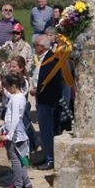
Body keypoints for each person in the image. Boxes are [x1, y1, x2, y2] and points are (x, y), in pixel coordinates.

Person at [0, 73, 33, 188]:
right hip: (20, 133)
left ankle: (18, 185)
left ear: (13, 85)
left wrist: (8, 135)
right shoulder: (20, 96)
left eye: (7, 87)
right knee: (23, 158)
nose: (7, 89)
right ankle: (27, 183)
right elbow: (10, 96)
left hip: (15, 135)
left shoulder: (16, 99)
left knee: (15, 160)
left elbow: (15, 119)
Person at [31, 35, 61, 170]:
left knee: (47, 130)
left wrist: (37, 91)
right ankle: (47, 154)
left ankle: (50, 159)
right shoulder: (42, 58)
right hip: (41, 99)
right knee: (44, 130)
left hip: (47, 100)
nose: (34, 47)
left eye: (35, 45)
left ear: (41, 47)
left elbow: (50, 82)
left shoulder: (51, 59)